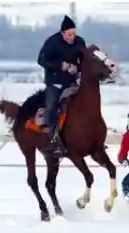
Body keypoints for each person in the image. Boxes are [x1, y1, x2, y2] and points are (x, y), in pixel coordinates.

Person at [37, 15, 86, 152]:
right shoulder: (52, 42)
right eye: (69, 34)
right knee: (52, 106)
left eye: (74, 34)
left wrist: (79, 68)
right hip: (55, 81)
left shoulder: (80, 42)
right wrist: (61, 66)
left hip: (73, 81)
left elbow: (84, 60)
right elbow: (41, 60)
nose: (72, 37)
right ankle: (52, 139)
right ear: (62, 32)